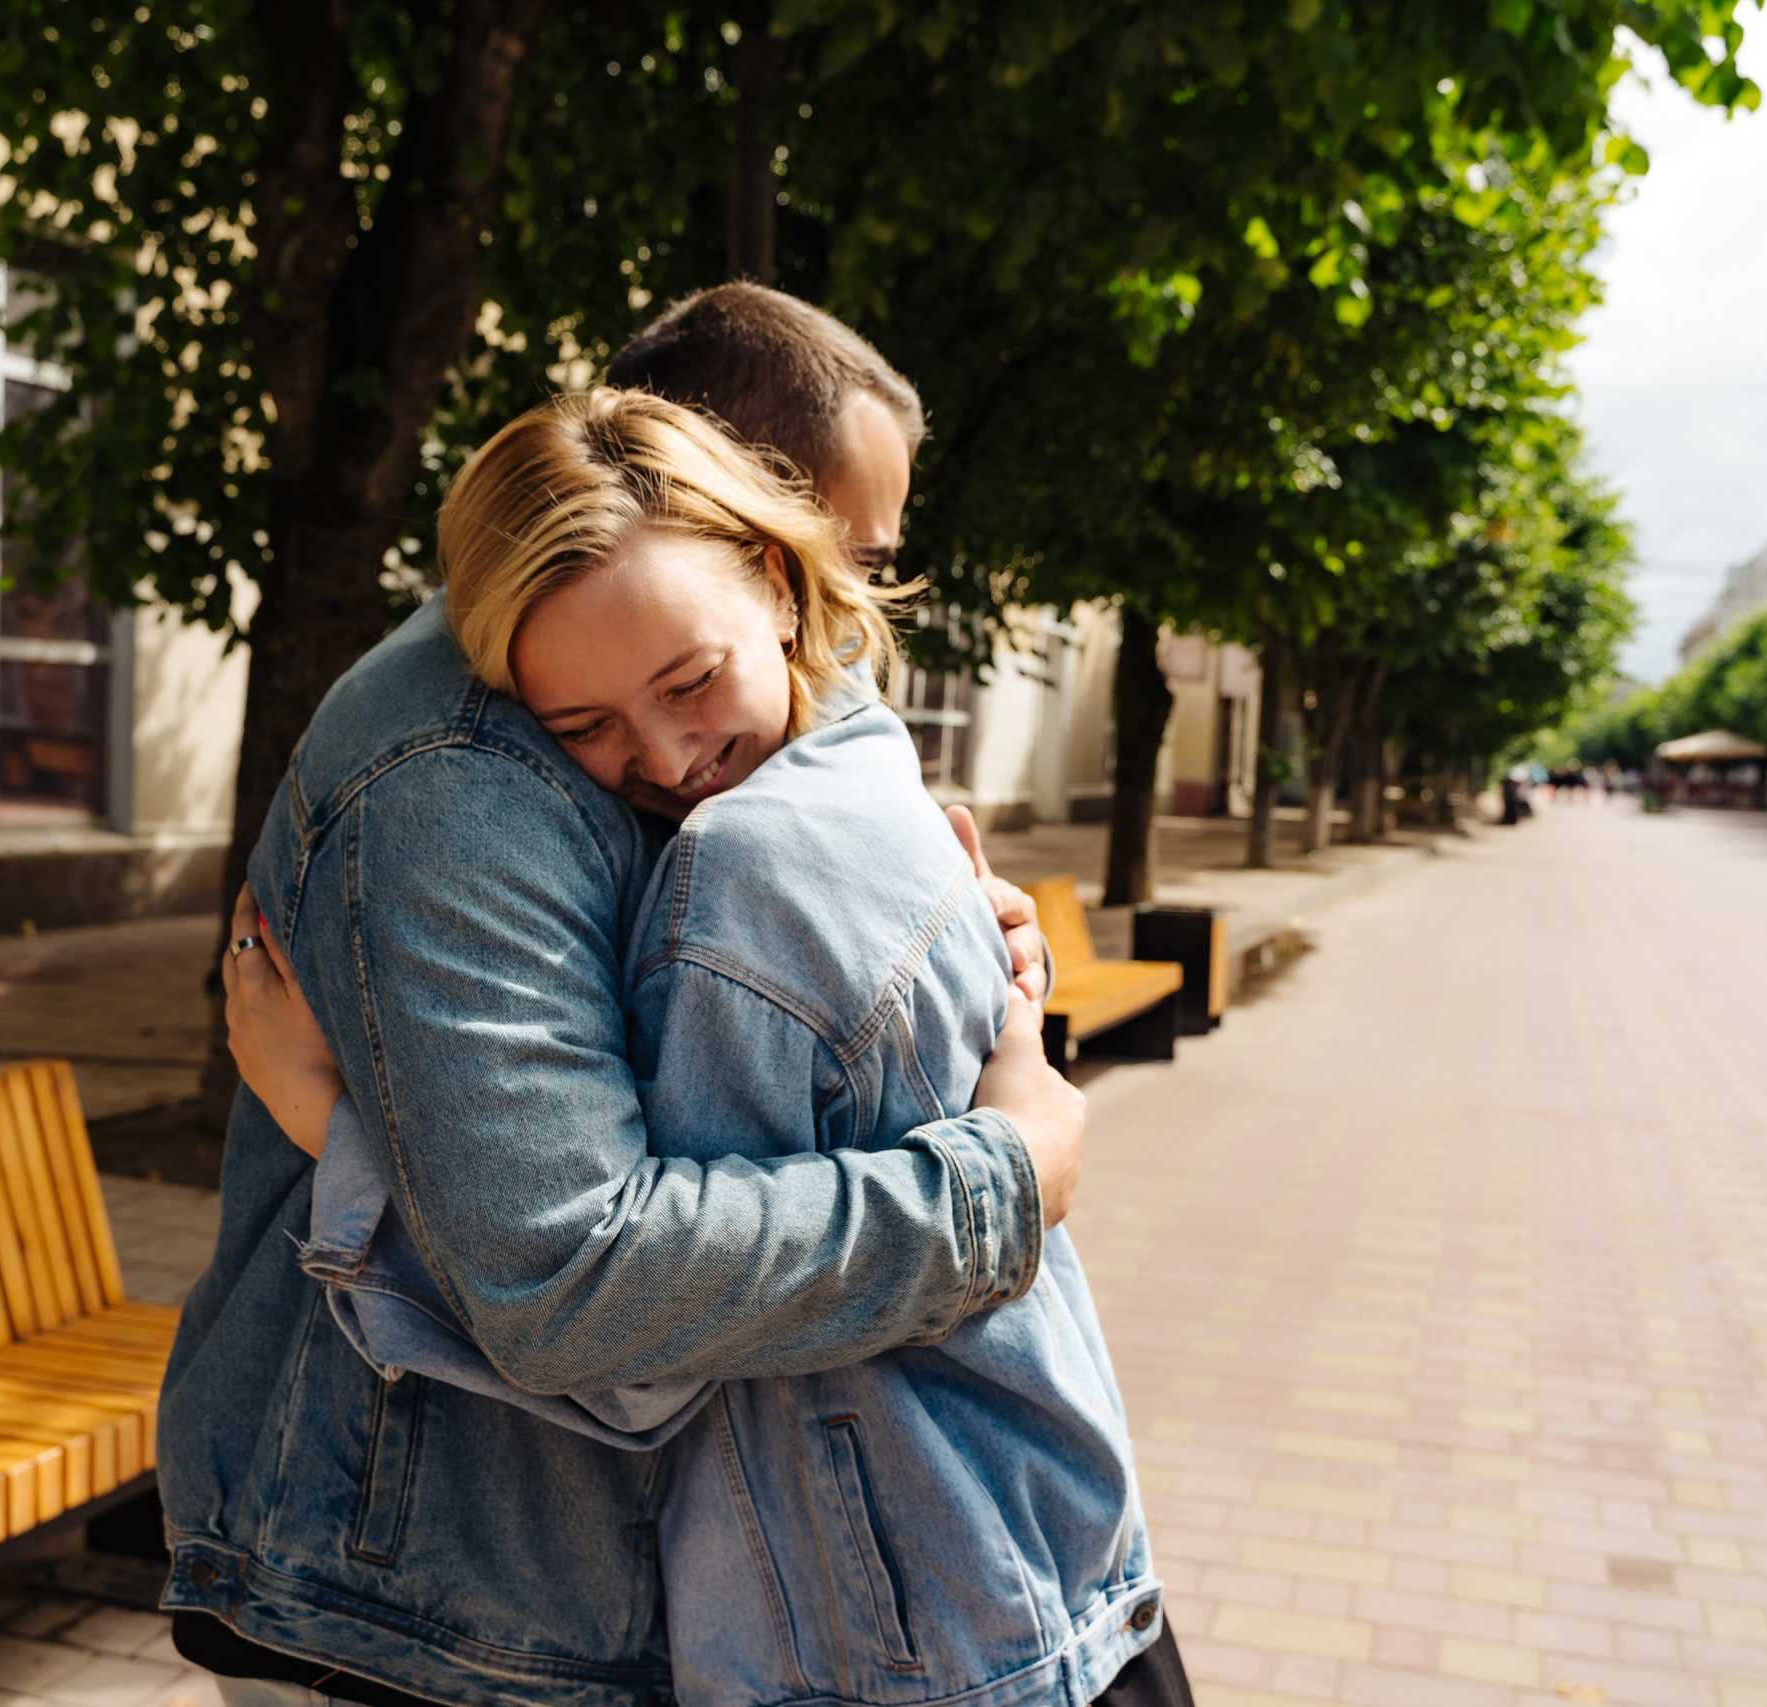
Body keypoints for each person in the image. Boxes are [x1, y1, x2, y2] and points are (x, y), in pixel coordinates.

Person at [164, 285, 1089, 1707]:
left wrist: (956, 935)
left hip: (557, 1561)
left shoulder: (729, 684)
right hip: (407, 1585)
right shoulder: (456, 786)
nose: (848, 616)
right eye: (849, 550)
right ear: (704, 489)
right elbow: (572, 1277)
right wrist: (997, 1189)